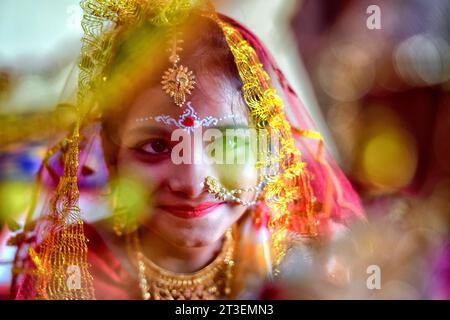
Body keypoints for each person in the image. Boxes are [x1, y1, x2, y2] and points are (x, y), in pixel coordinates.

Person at [10, 0, 363, 300]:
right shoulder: (71, 272)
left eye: (227, 144)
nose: (192, 182)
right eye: (156, 145)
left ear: (267, 151)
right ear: (112, 153)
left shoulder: (296, 259)